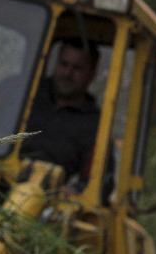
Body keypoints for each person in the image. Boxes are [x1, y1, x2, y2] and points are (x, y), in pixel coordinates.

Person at [21, 37, 102, 186]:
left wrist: (76, 191)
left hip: (49, 200)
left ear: (92, 74)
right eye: (64, 64)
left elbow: (98, 181)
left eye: (77, 68)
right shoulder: (23, 92)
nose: (68, 73)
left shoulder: (95, 126)